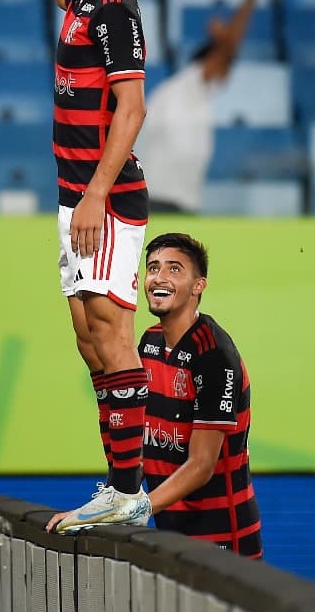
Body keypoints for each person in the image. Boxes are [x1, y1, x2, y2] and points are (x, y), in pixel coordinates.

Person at [49, 233, 262, 557]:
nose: (159, 277)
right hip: (169, 537)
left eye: (174, 269)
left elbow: (202, 465)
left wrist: (138, 508)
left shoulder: (215, 355)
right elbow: (92, 346)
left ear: (198, 285)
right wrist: (106, 506)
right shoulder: (148, 343)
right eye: (153, 268)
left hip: (224, 543)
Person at [49, 0, 154, 531]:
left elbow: (132, 110)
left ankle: (128, 492)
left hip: (104, 198)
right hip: (76, 196)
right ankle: (119, 483)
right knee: (90, 341)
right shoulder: (83, 0)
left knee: (112, 336)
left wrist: (94, 194)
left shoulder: (117, 13)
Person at [135, 0, 261, 215]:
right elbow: (227, 50)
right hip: (162, 200)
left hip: (173, 201)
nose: (226, 72)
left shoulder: (191, 92)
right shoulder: (187, 87)